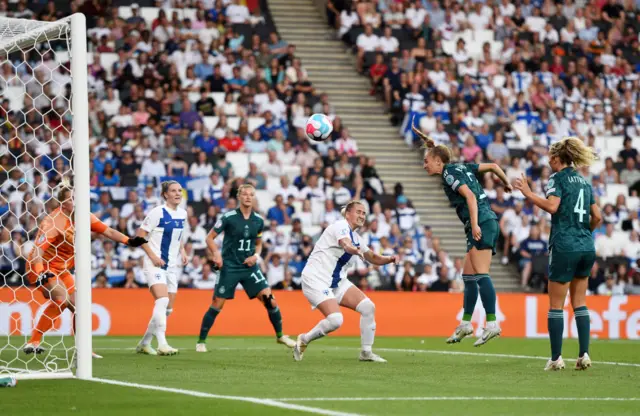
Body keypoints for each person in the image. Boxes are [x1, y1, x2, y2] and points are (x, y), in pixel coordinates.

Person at [412, 123, 511, 346]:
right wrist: (505, 184)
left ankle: (492, 324)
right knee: (468, 276)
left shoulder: (448, 173)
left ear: (438, 161)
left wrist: (474, 225)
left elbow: (470, 197)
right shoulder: (462, 167)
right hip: (484, 221)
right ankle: (466, 323)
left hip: (481, 222)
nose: (424, 164)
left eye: (426, 161)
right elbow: (494, 166)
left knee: (482, 273)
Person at [23, 180, 147, 357]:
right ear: (62, 204)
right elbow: (37, 252)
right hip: (43, 267)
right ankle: (33, 342)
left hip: (63, 269)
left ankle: (83, 350)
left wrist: (129, 241)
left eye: (77, 197)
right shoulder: (53, 222)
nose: (76, 201)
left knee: (80, 306)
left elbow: (108, 231)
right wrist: (41, 272)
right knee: (61, 299)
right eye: (71, 198)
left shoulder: (84, 216)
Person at [514, 137, 602, 371]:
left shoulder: (557, 178)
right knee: (580, 303)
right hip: (586, 246)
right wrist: (584, 232)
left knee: (556, 305)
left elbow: (552, 206)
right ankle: (584, 355)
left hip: (564, 245)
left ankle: (556, 358)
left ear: (555, 158)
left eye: (549, 159)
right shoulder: (584, 182)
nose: (548, 163)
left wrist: (528, 194)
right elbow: (598, 217)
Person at [293, 200, 399, 363]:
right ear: (348, 213)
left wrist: (389, 259)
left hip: (336, 281)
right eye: (358, 212)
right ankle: (304, 339)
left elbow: (372, 257)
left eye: (364, 213)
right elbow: (345, 244)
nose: (362, 216)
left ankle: (366, 352)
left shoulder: (356, 237)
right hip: (316, 279)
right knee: (336, 320)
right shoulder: (340, 226)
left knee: (368, 307)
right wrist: (355, 251)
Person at [196, 184, 296, 351]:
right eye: (245, 194)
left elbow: (258, 244)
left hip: (249, 268)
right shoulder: (228, 217)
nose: (248, 197)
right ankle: (201, 341)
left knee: (270, 300)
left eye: (251, 194)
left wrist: (256, 257)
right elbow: (210, 238)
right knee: (216, 304)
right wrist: (217, 254)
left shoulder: (258, 220)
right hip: (229, 267)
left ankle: (280, 336)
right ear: (239, 197)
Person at [135, 181, 188, 356]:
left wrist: (182, 251)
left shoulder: (183, 213)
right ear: (165, 194)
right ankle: (162, 344)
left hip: (172, 266)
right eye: (173, 191)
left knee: (167, 309)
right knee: (162, 300)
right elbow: (140, 236)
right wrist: (152, 256)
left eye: (179, 190)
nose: (178, 193)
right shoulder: (157, 212)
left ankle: (144, 343)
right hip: (155, 263)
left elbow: (178, 236)